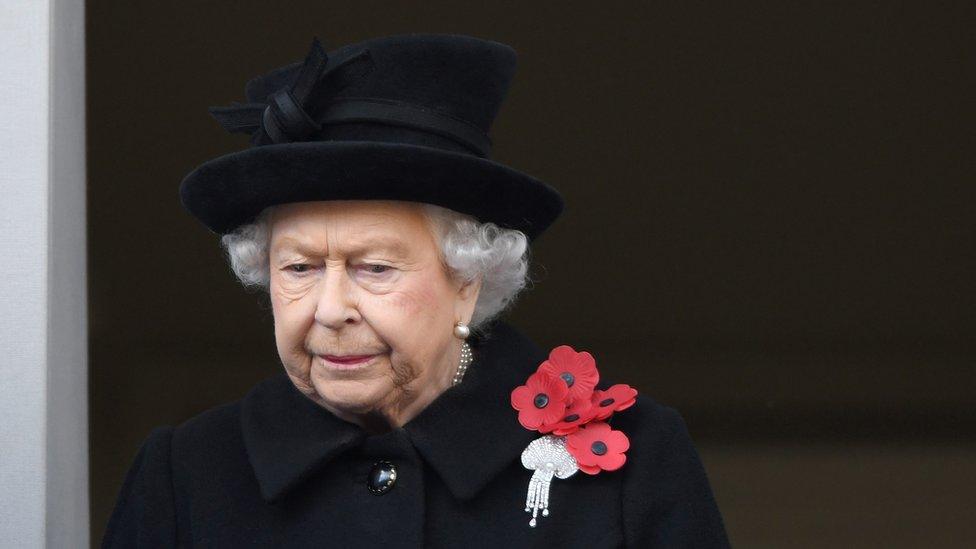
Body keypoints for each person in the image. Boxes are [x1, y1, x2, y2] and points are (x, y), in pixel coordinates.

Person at [102, 33, 731, 548]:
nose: (330, 310)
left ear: (467, 281)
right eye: (299, 268)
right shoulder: (187, 472)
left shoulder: (633, 464)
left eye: (374, 268)